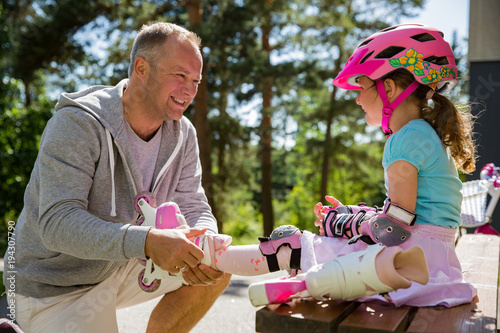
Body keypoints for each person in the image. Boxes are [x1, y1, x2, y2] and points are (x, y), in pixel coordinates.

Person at [225, 23, 477, 309]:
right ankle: (304, 283)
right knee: (311, 249)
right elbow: (411, 213)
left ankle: (213, 258)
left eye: (361, 87)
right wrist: (357, 213)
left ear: (389, 88)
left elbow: (395, 228)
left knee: (290, 244)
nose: (357, 99)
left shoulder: (403, 140)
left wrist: (342, 223)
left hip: (409, 264)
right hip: (435, 262)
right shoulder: (423, 134)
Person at [4, 22, 231, 333]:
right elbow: (57, 223)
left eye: (196, 80)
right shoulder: (77, 123)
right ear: (142, 68)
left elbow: (194, 203)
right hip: (54, 285)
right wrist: (148, 242)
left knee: (220, 264)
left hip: (121, 264)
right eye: (180, 76)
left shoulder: (183, 133)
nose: (190, 91)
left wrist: (206, 241)